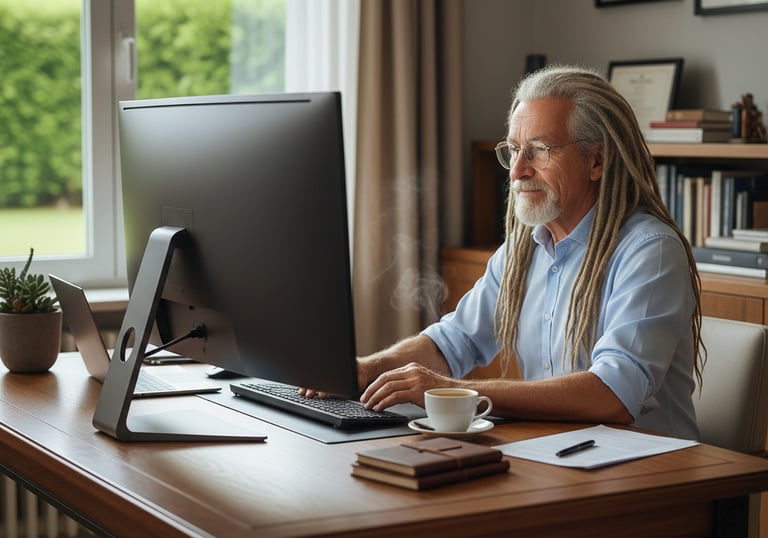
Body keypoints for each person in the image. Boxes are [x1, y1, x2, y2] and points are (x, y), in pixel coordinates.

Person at [310, 64, 704, 440]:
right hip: (555, 458)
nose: (517, 171)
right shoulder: (522, 250)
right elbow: (454, 342)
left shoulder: (650, 252)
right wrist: (365, 370)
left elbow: (614, 393)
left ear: (596, 160)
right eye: (514, 150)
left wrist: (456, 392)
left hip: (652, 472)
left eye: (538, 150)